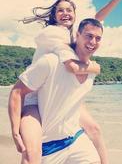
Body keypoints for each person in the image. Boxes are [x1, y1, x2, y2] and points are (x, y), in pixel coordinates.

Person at [13, 0, 122, 164]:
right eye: (60, 10)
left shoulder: (74, 36)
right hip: (34, 99)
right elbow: (72, 67)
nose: (65, 13)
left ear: (75, 14)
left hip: (59, 94)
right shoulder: (53, 33)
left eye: (69, 10)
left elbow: (98, 18)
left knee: (95, 130)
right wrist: (95, 67)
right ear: (54, 15)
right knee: (32, 151)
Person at [9, 18, 104, 163]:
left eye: (98, 38)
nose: (93, 42)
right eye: (89, 36)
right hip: (48, 147)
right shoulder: (50, 62)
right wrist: (16, 131)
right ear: (77, 35)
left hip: (75, 140)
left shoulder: (92, 70)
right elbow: (17, 92)